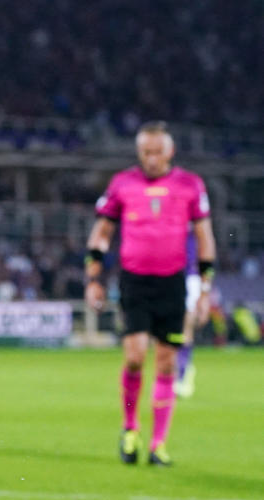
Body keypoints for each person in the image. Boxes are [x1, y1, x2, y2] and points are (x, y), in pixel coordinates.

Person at [86, 121, 215, 466]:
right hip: (135, 281)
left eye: (158, 152)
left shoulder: (190, 185)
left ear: (170, 151)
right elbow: (102, 231)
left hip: (172, 282)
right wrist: (93, 277)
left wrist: (204, 289)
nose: (152, 158)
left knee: (168, 362)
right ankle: (130, 430)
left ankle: (158, 444)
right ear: (138, 152)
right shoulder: (122, 183)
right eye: (146, 152)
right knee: (134, 355)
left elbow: (204, 237)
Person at [173, 235, 204, 398]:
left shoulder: (193, 214)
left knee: (185, 328)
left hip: (190, 277)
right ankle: (174, 371)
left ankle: (184, 373)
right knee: (170, 329)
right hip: (168, 275)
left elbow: (206, 247)